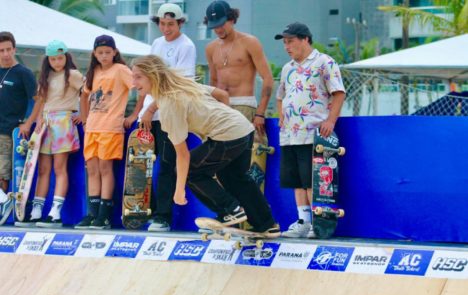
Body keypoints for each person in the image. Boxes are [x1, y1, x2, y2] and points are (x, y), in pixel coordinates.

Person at [132, 55, 280, 237]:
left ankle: (230, 210)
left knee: (192, 171)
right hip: (243, 128)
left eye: (138, 77)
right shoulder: (183, 85)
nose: (133, 83)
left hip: (226, 136)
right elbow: (222, 95)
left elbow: (183, 156)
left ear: (152, 75)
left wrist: (178, 192)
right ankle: (266, 224)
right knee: (235, 178)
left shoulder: (169, 106)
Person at [125, 3, 196, 232]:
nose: (166, 29)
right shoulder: (156, 44)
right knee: (142, 165)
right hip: (148, 115)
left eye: (171, 24)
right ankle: (145, 210)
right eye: (162, 24)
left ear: (180, 23)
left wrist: (151, 108)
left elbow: (178, 85)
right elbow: (145, 82)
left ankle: (163, 216)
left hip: (167, 113)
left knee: (166, 166)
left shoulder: (186, 46)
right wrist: (140, 111)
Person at [274, 23, 346, 238]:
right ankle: (303, 221)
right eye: (284, 42)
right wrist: (282, 116)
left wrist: (330, 121)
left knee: (311, 181)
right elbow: (281, 96)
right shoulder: (287, 68)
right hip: (290, 134)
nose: (287, 46)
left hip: (314, 133)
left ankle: (318, 222)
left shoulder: (324, 62)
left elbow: (339, 93)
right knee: (296, 181)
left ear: (305, 39)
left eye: (291, 41)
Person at [15, 40, 83, 228]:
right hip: (45, 123)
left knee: (59, 168)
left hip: (63, 122)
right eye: (53, 59)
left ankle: (55, 212)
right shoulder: (46, 76)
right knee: (43, 169)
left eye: (60, 58)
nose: (57, 62)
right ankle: (37, 210)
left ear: (66, 57)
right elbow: (40, 102)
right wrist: (32, 122)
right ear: (48, 60)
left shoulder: (74, 75)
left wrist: (83, 114)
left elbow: (89, 93)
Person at [75, 35, 133, 230]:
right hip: (92, 127)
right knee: (91, 170)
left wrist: (134, 115)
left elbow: (142, 88)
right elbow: (84, 96)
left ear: (115, 52)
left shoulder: (121, 70)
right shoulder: (94, 71)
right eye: (100, 53)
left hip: (111, 127)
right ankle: (92, 214)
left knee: (105, 169)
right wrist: (84, 120)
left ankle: (104, 216)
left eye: (108, 52)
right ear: (94, 54)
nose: (104, 56)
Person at [204, 0, 273, 134]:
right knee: (218, 152)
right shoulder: (210, 48)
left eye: (221, 24)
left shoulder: (249, 42)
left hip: (244, 104)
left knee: (240, 150)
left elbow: (268, 78)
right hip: (220, 107)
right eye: (214, 26)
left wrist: (260, 113)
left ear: (232, 19)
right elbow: (212, 81)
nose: (218, 29)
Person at [0, 31, 38, 216]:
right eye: (1, 50)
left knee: (3, 172)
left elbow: (39, 100)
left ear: (14, 49)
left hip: (8, 131)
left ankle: (4, 206)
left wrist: (28, 122)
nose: (5, 54)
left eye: (8, 49)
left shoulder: (24, 73)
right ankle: (3, 201)